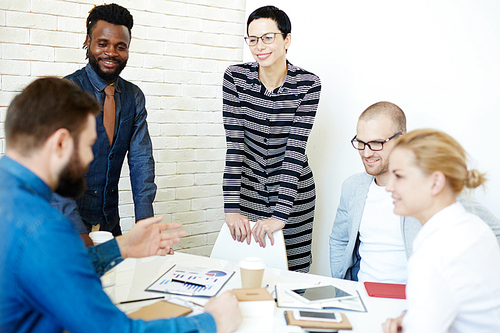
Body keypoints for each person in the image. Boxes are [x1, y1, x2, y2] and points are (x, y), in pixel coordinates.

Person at [0, 77, 242, 333]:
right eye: (89, 145)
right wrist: (210, 322)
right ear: (60, 143)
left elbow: (54, 271)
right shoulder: (43, 227)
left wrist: (121, 247)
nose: (91, 157)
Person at [329, 102, 500, 282]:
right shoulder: (352, 187)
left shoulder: (426, 188)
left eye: (376, 143)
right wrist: (343, 285)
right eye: (361, 143)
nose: (366, 153)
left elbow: (493, 232)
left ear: (401, 139)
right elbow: (339, 241)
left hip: (411, 300)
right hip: (363, 296)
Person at [222, 5, 321, 273]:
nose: (259, 46)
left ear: (286, 40)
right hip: (248, 192)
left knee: (293, 271)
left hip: (294, 195)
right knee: (247, 268)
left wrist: (280, 215)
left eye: (268, 37)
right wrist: (231, 207)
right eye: (252, 39)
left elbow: (294, 150)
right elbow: (235, 144)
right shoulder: (235, 78)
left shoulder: (309, 84)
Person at [51, 4, 156, 245]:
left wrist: (145, 224)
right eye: (103, 44)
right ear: (88, 42)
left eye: (121, 46)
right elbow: (54, 169)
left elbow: (141, 162)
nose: (111, 53)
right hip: (66, 226)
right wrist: (78, 231)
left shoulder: (133, 96)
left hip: (109, 224)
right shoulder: (66, 92)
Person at [382, 129, 500, 333]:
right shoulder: (475, 226)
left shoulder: (433, 256)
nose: (389, 187)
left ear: (436, 182)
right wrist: (412, 317)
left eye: (399, 176)